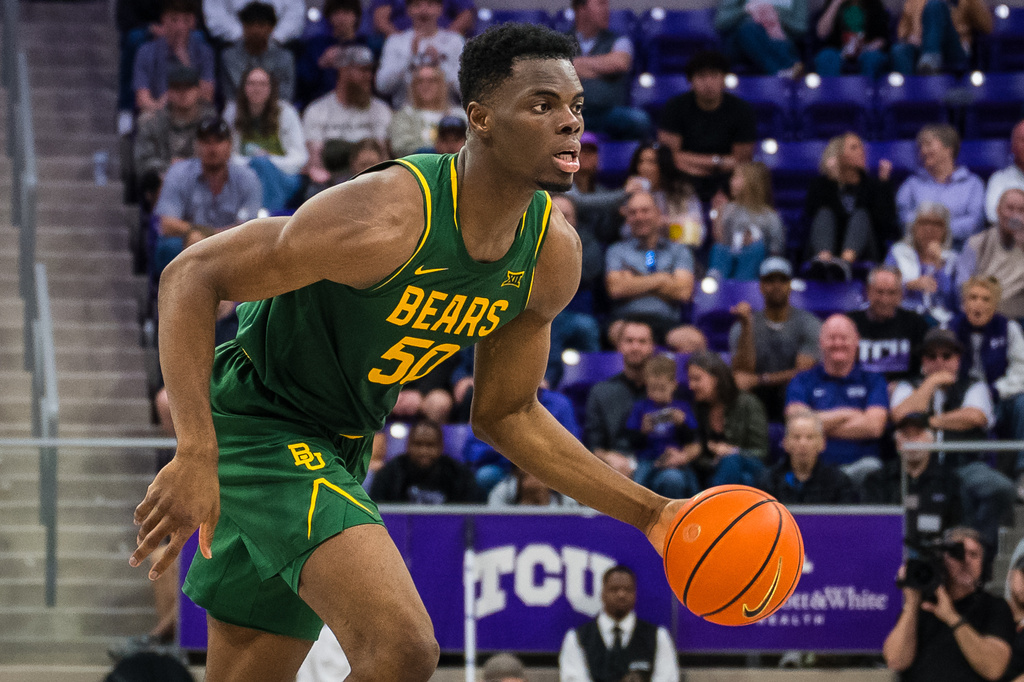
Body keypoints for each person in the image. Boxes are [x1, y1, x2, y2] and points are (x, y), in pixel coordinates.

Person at [130, 23, 686, 682]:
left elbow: (507, 415)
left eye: (576, 107)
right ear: (480, 119)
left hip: (341, 440)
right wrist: (197, 447)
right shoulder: (391, 214)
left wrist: (653, 514)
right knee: (403, 649)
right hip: (262, 423)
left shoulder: (550, 255)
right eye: (542, 105)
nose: (569, 123)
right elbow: (191, 276)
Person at [890, 327, 1012, 550]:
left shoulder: (974, 385)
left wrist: (930, 422)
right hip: (916, 470)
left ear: (958, 359)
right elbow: (900, 415)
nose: (939, 362)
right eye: (932, 356)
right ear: (923, 360)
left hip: (964, 467)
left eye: (947, 356)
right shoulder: (907, 386)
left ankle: (979, 554)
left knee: (1000, 487)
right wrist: (931, 383)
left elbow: (975, 416)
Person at [882, 526, 1013, 682]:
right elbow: (896, 661)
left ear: (983, 564)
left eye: (974, 555)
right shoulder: (921, 608)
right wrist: (911, 605)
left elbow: (993, 669)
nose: (966, 561)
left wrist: (951, 617)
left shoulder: (995, 607)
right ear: (942, 560)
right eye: (957, 554)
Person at [152, 117, 264, 274]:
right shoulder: (178, 173)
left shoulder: (248, 178)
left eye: (218, 141)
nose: (212, 148)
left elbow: (249, 228)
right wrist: (196, 237)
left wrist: (208, 238)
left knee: (254, 250)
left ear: (230, 145)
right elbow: (167, 224)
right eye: (206, 142)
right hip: (188, 244)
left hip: (230, 245)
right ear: (197, 146)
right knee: (169, 248)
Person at [785, 314, 888, 482]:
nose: (838, 343)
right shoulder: (802, 380)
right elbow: (796, 422)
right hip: (814, 469)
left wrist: (815, 425)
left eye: (844, 338)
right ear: (821, 342)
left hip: (862, 467)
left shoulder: (873, 380)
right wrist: (849, 414)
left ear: (857, 341)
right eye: (832, 338)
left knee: (873, 469)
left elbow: (874, 427)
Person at [949, 276, 1024, 488]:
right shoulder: (950, 329)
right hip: (962, 400)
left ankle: (1023, 473)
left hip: (998, 399)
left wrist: (997, 390)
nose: (978, 304)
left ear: (995, 304)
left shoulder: (1008, 329)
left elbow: (1022, 371)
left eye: (985, 299)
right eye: (973, 297)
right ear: (964, 302)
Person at [657, 50, 757, 205]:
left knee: (746, 178)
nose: (708, 82)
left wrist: (696, 164)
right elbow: (670, 157)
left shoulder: (742, 110)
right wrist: (718, 162)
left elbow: (741, 161)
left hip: (726, 177)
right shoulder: (674, 107)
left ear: (723, 79)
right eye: (702, 76)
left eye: (714, 75)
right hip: (684, 175)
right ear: (691, 81)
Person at [730, 257, 821, 423]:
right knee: (738, 389)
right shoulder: (742, 326)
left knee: (797, 387)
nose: (777, 285)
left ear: (790, 285)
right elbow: (742, 372)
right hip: (756, 396)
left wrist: (761, 379)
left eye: (782, 280)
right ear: (761, 286)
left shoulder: (809, 323)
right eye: (770, 280)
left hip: (795, 395)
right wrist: (747, 327)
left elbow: (803, 373)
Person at [559, 565, 680, 682]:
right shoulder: (576, 638)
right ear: (603, 593)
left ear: (635, 593)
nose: (621, 595)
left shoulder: (658, 636)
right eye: (614, 589)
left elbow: (668, 678)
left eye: (627, 589)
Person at [605, 191, 695, 342]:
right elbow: (616, 289)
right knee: (617, 333)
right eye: (633, 212)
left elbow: (683, 292)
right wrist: (662, 279)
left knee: (693, 340)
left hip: (667, 322)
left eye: (645, 211)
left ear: (658, 214)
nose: (639, 217)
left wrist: (634, 282)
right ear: (627, 218)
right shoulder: (617, 251)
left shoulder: (679, 251)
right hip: (627, 321)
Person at [863, 412, 963, 548]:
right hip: (889, 552)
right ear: (897, 442)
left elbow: (959, 529)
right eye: (906, 435)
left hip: (936, 558)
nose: (912, 441)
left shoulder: (950, 481)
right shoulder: (878, 480)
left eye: (917, 434)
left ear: (931, 439)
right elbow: (870, 527)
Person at [805, 131, 899, 266]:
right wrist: (832, 183)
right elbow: (810, 217)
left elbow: (885, 224)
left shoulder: (872, 185)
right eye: (854, 148)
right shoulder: (821, 184)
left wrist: (884, 187)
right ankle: (824, 264)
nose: (862, 152)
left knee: (861, 214)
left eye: (862, 147)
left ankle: (844, 265)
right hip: (828, 246)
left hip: (865, 249)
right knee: (824, 213)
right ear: (838, 154)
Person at [302, 45, 393, 185]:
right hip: (332, 181)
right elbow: (316, 162)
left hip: (371, 179)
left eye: (370, 70)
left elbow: (383, 157)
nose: (368, 76)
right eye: (362, 70)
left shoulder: (381, 110)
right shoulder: (317, 110)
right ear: (344, 70)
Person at [223, 67, 308, 213]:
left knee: (262, 166)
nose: (257, 89)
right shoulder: (232, 112)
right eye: (251, 83)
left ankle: (260, 215)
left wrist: (268, 161)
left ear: (271, 88)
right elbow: (227, 156)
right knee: (257, 167)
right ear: (243, 87)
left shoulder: (286, 112)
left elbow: (300, 157)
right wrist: (254, 162)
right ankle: (266, 216)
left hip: (283, 174)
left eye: (263, 84)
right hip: (245, 173)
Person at [133, 65, 216, 203]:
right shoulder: (152, 123)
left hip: (204, 180)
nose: (183, 93)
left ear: (198, 91)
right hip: (164, 181)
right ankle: (165, 223)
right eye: (177, 88)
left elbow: (221, 156)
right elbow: (142, 162)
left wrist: (188, 167)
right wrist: (169, 167)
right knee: (163, 181)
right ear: (169, 92)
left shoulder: (211, 122)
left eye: (188, 87)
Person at [687, 351, 768, 489]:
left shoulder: (747, 403)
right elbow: (697, 453)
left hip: (749, 462)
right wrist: (712, 458)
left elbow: (761, 452)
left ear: (716, 378)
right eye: (690, 379)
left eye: (697, 379)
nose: (691, 385)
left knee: (731, 461)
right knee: (744, 479)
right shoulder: (696, 408)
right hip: (712, 469)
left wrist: (732, 451)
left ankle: (713, 507)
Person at [897, 124, 986, 250]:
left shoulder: (973, 184)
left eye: (928, 145)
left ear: (948, 148)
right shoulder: (911, 184)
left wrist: (937, 231)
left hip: (961, 252)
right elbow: (904, 218)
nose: (923, 150)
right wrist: (931, 233)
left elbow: (975, 223)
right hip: (918, 253)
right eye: (920, 147)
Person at [570, 0, 650, 140]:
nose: (607, 10)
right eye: (601, 4)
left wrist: (576, 65)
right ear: (581, 9)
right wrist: (602, 67)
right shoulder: (558, 41)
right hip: (570, 113)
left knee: (639, 120)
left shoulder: (620, 41)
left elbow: (620, 63)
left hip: (608, 114)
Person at [585, 319, 655, 478]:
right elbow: (592, 445)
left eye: (642, 341)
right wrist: (608, 457)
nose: (635, 347)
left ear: (652, 346)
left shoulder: (668, 391)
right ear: (619, 346)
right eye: (629, 341)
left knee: (672, 478)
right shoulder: (601, 392)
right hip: (615, 465)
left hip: (657, 464)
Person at [625, 354, 700, 499]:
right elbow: (631, 440)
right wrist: (643, 431)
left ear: (673, 385)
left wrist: (682, 424)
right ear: (646, 383)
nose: (657, 393)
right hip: (647, 459)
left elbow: (692, 438)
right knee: (638, 486)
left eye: (662, 388)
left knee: (687, 481)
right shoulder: (640, 408)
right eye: (653, 388)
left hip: (675, 460)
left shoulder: (682, 408)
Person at [849, 265, 931, 384]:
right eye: (879, 292)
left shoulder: (916, 324)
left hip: (904, 390)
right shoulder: (850, 323)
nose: (885, 299)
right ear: (868, 292)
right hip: (859, 388)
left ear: (900, 294)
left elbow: (924, 367)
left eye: (891, 293)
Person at [375, 0, 463, 108]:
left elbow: (464, 90)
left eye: (430, 5)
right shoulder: (395, 41)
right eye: (417, 5)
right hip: (406, 112)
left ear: (440, 9)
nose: (424, 11)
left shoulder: (454, 41)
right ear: (408, 10)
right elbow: (382, 86)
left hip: (446, 113)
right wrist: (409, 57)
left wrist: (440, 63)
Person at [132, 0, 215, 115]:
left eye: (186, 21)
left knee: (209, 116)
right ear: (164, 20)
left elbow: (207, 97)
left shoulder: (205, 52)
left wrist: (185, 61)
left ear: (193, 22)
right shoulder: (146, 52)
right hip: (159, 113)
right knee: (145, 119)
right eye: (174, 20)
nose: (179, 26)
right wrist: (164, 104)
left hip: (193, 114)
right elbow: (142, 100)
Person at [759, 410, 858, 504]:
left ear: (822, 443)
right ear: (785, 443)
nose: (803, 443)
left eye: (810, 437)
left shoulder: (838, 482)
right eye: (796, 437)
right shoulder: (769, 480)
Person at [708, 161, 785, 281]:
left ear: (752, 183)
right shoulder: (726, 209)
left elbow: (776, 251)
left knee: (756, 249)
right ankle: (716, 281)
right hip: (728, 260)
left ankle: (743, 285)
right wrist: (718, 213)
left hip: (755, 267)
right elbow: (720, 241)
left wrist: (753, 243)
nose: (731, 181)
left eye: (736, 177)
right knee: (718, 249)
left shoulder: (769, 216)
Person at [955, 188, 1024, 321]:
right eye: (1010, 208)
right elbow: (962, 286)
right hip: (983, 316)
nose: (1015, 216)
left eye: (1021, 210)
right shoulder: (977, 243)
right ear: (998, 210)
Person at [368, 420, 479, 503]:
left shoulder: (459, 474)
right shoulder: (390, 473)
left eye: (430, 445)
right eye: (418, 444)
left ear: (441, 447)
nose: (423, 451)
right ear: (408, 445)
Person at [885, 201, 958, 321]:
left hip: (942, 322)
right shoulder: (898, 252)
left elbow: (955, 300)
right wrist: (909, 285)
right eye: (923, 223)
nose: (929, 229)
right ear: (913, 227)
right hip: (903, 318)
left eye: (937, 224)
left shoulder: (953, 259)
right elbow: (885, 288)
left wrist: (938, 264)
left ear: (946, 231)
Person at [627, 142, 705, 248]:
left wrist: (667, 224)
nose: (644, 167)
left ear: (663, 165)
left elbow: (697, 235)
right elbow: (625, 235)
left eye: (651, 162)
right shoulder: (630, 194)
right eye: (641, 162)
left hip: (676, 253)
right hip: (639, 253)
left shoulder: (681, 192)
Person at [219, 2, 296, 103]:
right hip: (239, 107)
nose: (255, 30)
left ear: (271, 28)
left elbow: (286, 94)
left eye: (261, 25)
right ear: (243, 26)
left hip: (275, 107)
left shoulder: (285, 57)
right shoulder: (229, 56)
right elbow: (233, 93)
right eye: (250, 24)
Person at [891, 0, 992, 75]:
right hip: (920, 46)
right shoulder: (914, 2)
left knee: (935, 5)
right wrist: (910, 38)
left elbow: (987, 26)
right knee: (899, 50)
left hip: (953, 46)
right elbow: (902, 31)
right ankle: (909, 96)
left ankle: (930, 59)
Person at [296, 0, 365, 107]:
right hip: (320, 106)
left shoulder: (366, 45)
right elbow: (301, 85)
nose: (341, 18)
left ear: (356, 16)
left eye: (346, 12)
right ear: (329, 17)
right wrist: (321, 63)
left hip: (358, 104)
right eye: (336, 13)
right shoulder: (316, 45)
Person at [388, 64, 467, 157]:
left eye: (432, 81)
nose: (425, 85)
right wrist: (435, 150)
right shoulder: (404, 116)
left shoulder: (459, 114)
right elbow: (399, 148)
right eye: (420, 81)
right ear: (413, 86)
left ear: (442, 84)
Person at [714, 0, 807, 77]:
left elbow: (801, 27)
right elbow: (721, 22)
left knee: (779, 40)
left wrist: (774, 17)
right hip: (743, 42)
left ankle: (788, 71)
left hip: (779, 38)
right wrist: (746, 9)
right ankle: (782, 72)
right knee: (748, 29)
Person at [813, 0, 892, 78]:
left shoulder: (875, 6)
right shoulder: (832, 4)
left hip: (867, 50)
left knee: (873, 58)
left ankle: (868, 90)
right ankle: (830, 90)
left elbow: (882, 38)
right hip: (838, 51)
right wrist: (836, 3)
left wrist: (866, 49)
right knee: (827, 56)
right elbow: (822, 34)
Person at [203, 0, 305, 46]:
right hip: (231, 43)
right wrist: (243, 35)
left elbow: (295, 15)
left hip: (279, 43)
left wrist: (275, 37)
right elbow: (215, 15)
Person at [984, 120, 1024, 224]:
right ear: (1013, 146)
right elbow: (992, 215)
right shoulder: (999, 179)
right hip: (1008, 238)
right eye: (1023, 140)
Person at [488, 464, 581, 507]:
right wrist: (525, 505)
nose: (533, 478)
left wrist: (544, 503)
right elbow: (494, 524)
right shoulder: (502, 492)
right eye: (526, 473)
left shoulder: (565, 496)